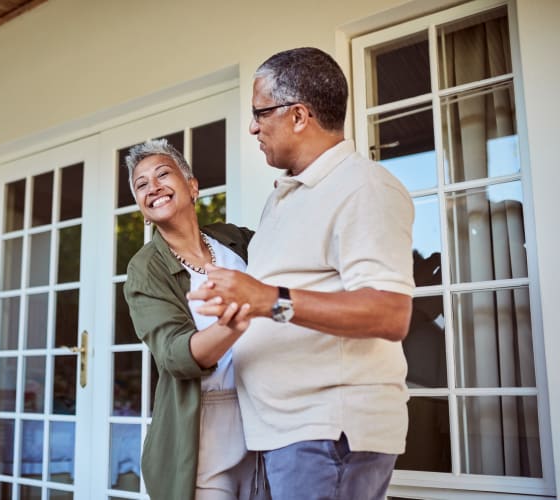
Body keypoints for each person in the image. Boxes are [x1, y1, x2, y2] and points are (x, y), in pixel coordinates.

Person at [188, 47, 415, 500]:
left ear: (298, 116)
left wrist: (267, 298)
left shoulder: (363, 187)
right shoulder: (284, 197)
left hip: (329, 437)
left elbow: (390, 314)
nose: (253, 126)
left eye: (259, 113)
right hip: (288, 435)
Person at [122, 139, 268, 500]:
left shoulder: (234, 240)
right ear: (142, 208)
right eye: (141, 185)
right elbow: (174, 356)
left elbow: (289, 264)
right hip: (203, 424)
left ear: (192, 186)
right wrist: (236, 320)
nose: (152, 187)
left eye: (162, 174)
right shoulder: (145, 268)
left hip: (265, 409)